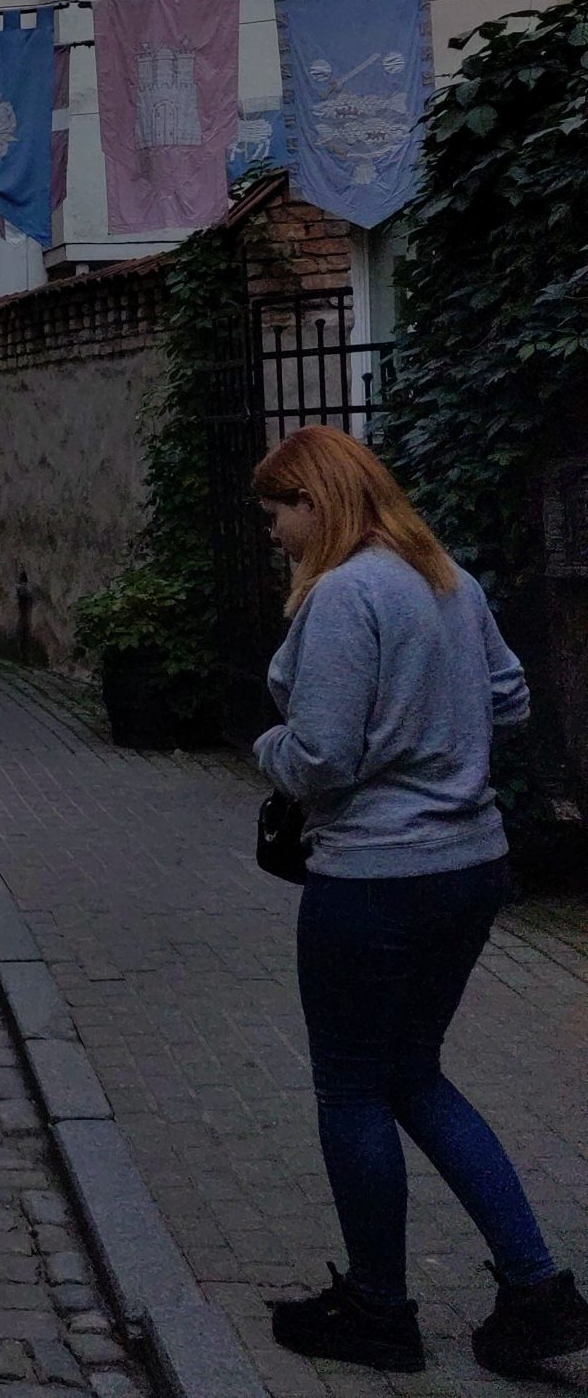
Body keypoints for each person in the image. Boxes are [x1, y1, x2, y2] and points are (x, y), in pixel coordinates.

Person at [251, 425, 588, 1376]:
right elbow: (511, 699)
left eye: (276, 513)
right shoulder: (446, 578)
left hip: (376, 879)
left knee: (351, 1087)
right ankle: (536, 1293)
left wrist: (267, 749)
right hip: (471, 866)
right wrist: (441, 736)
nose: (272, 533)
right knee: (413, 1074)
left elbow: (322, 757)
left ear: (315, 501)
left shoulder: (347, 593)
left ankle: (378, 1309)